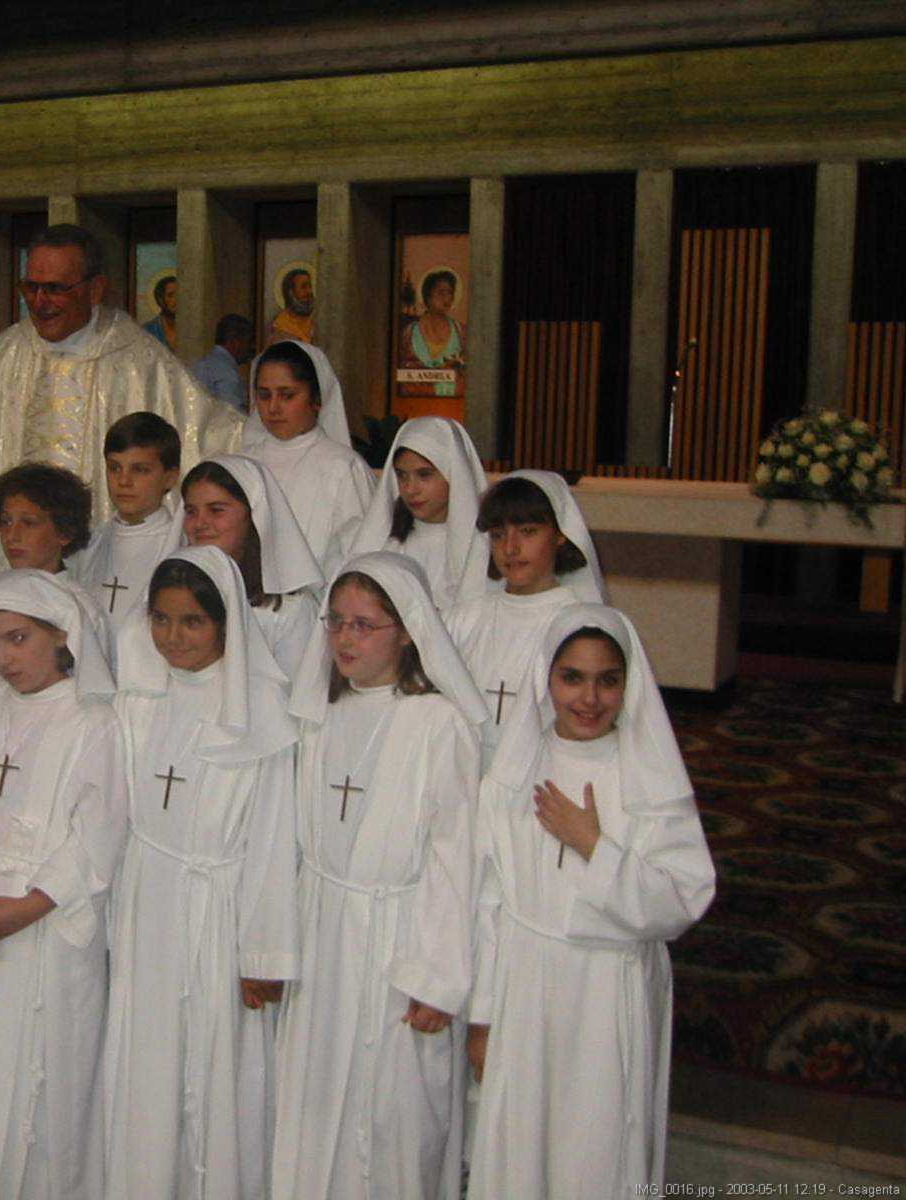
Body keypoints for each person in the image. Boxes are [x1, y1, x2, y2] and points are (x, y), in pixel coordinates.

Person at [467, 605, 715, 1198]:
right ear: (545, 679)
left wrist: (594, 846)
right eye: (572, 677)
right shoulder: (514, 772)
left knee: (597, 1152)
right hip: (525, 986)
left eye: (608, 680)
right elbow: (489, 899)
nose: (589, 698)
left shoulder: (646, 773)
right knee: (520, 1150)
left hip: (608, 990)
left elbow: (683, 897)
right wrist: (482, 1015)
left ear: (629, 685)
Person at [271, 553, 486, 1200]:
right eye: (336, 622)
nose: (344, 638)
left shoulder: (437, 723)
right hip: (323, 936)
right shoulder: (317, 714)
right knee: (313, 1103)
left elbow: (455, 856)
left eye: (364, 625)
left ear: (408, 632)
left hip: (400, 946)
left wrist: (438, 977)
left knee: (394, 1116)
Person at [0, 571, 128, 1200]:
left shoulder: (93, 721)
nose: (4, 657)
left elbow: (98, 831)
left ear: (61, 635)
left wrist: (31, 905)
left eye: (18, 638)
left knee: (44, 1074)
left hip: (46, 924)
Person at [103, 547, 299, 1200]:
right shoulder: (139, 696)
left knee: (217, 1063)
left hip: (220, 910)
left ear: (225, 624)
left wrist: (262, 951)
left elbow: (272, 839)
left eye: (192, 621)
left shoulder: (261, 709)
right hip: (147, 898)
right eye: (160, 619)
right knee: (147, 1055)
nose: (172, 637)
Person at [0, 223, 244, 577]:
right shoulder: (7, 353)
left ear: (95, 289)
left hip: (105, 567)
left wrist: (271, 440)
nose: (39, 302)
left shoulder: (136, 359)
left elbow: (205, 430)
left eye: (55, 289)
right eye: (31, 287)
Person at [445, 470, 605, 764]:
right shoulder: (462, 620)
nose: (510, 548)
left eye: (528, 531)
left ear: (560, 534)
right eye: (498, 535)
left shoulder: (581, 626)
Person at [242, 339, 375, 569]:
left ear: (317, 399)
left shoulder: (345, 468)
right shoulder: (243, 463)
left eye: (287, 395)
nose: (273, 408)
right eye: (264, 396)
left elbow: (363, 557)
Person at [181, 454, 323, 669]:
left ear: (253, 516)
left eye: (216, 510)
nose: (199, 523)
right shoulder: (175, 594)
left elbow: (301, 686)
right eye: (191, 511)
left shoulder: (291, 610)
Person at [343, 416, 491, 611]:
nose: (410, 489)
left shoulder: (485, 546)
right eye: (401, 475)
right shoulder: (383, 543)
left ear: (454, 473)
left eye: (424, 475)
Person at [70, 412, 187, 632]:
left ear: (170, 477)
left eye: (140, 470)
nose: (123, 481)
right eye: (114, 468)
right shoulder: (89, 545)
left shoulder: (181, 547)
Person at [0, 461, 113, 659]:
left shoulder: (81, 611)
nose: (12, 536)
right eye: (6, 522)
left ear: (65, 533)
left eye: (28, 523)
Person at [407, 271, 465, 397]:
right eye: (441, 293)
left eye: (450, 293)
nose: (447, 298)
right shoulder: (409, 333)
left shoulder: (461, 331)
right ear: (428, 296)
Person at [191, 314, 255, 414]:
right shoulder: (227, 372)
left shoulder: (201, 364)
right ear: (235, 343)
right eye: (248, 343)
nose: (251, 349)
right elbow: (234, 415)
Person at [269, 268, 316, 345]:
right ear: (291, 293)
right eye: (303, 287)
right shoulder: (281, 324)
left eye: (310, 286)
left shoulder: (316, 320)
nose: (309, 291)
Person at [141, 275, 178, 351]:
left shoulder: (192, 329)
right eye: (170, 295)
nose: (176, 299)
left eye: (179, 295)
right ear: (160, 300)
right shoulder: (147, 331)